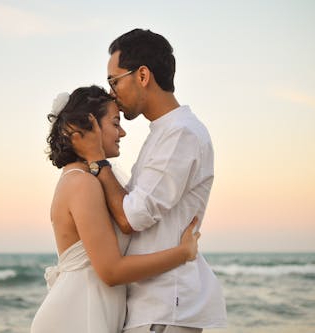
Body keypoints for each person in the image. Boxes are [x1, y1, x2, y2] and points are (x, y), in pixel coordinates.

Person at [71, 29, 227, 332]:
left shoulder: (181, 133)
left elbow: (131, 216)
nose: (112, 92)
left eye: (114, 81)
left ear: (142, 75)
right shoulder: (165, 132)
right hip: (153, 308)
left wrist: (97, 160)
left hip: (165, 307)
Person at [31, 85, 202, 333]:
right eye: (114, 122)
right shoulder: (82, 183)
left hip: (91, 310)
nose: (122, 132)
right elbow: (111, 271)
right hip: (78, 316)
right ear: (90, 127)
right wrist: (183, 253)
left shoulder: (87, 178)